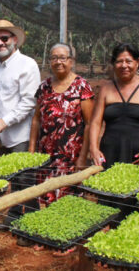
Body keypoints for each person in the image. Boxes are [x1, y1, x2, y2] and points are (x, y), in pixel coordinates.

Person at [29, 43, 94, 202]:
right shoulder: (44, 87)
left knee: (70, 201)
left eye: (63, 58)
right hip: (46, 156)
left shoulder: (81, 86)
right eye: (54, 58)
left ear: (71, 61)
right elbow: (36, 120)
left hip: (71, 157)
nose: (58, 62)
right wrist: (31, 152)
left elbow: (89, 124)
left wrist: (82, 157)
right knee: (47, 196)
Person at [89, 43, 139, 168]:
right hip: (109, 152)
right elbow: (95, 122)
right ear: (113, 64)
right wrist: (93, 148)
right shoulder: (106, 88)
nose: (124, 65)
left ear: (137, 62)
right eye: (119, 61)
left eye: (128, 61)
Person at [0, 19, 40, 154]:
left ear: (14, 39)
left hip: (21, 138)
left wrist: (5, 121)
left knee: (20, 174)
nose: (0, 43)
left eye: (4, 38)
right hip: (1, 137)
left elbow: (29, 101)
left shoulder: (27, 64)